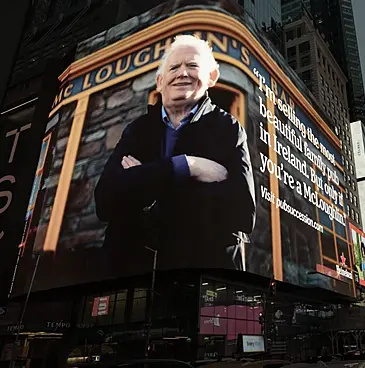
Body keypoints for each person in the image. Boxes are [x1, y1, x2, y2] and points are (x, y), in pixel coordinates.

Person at [95, 34, 256, 270]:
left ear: (212, 77)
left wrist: (143, 179)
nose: (182, 73)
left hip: (203, 278)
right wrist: (188, 166)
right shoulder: (138, 130)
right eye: (174, 67)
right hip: (130, 274)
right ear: (160, 82)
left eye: (192, 66)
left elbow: (243, 212)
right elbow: (105, 202)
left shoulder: (229, 129)